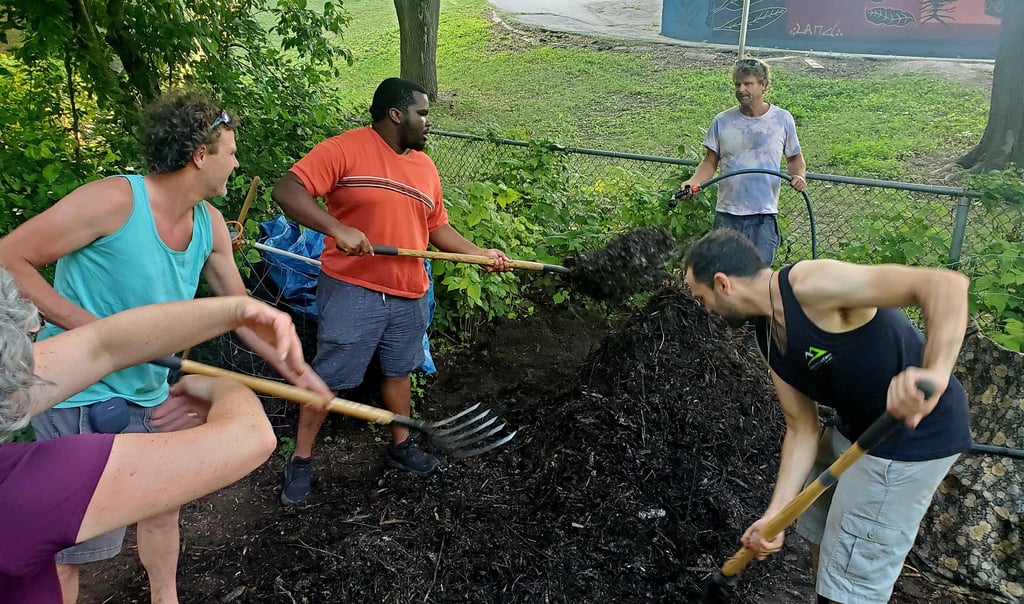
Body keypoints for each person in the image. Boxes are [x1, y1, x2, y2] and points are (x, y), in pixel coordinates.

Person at [0, 91, 332, 604]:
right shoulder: (114, 201)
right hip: (80, 393)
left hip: (150, 388)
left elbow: (241, 312)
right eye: (230, 149)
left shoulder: (211, 225)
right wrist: (92, 331)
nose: (237, 162)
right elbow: (10, 256)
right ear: (201, 154)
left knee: (162, 503)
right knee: (72, 542)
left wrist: (300, 373)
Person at [682, 229, 972, 604]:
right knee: (821, 538)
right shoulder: (766, 333)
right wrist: (775, 516)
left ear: (723, 284)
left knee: (854, 573)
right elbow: (801, 429)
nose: (705, 309)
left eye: (700, 297)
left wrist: (935, 372)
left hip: (909, 437)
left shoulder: (811, 285)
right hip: (856, 429)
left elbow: (944, 285)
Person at [0, 269, 318, 603]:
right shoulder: (19, 488)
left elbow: (103, 346)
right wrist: (223, 387)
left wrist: (234, 312)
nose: (34, 353)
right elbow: (252, 437)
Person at [272, 77, 511, 504]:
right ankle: (301, 459)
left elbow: (436, 227)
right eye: (423, 114)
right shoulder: (343, 149)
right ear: (396, 114)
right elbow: (287, 190)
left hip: (409, 291)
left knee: (399, 371)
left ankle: (401, 446)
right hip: (353, 287)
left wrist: (476, 253)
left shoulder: (424, 167)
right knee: (328, 377)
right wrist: (336, 227)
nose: (428, 123)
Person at [678, 57, 807, 264]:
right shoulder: (723, 121)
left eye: (748, 83)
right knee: (723, 275)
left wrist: (799, 176)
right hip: (728, 214)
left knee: (757, 277)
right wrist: (693, 183)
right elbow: (710, 162)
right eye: (738, 84)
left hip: (763, 215)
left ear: (763, 86)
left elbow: (794, 158)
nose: (741, 89)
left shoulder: (782, 119)